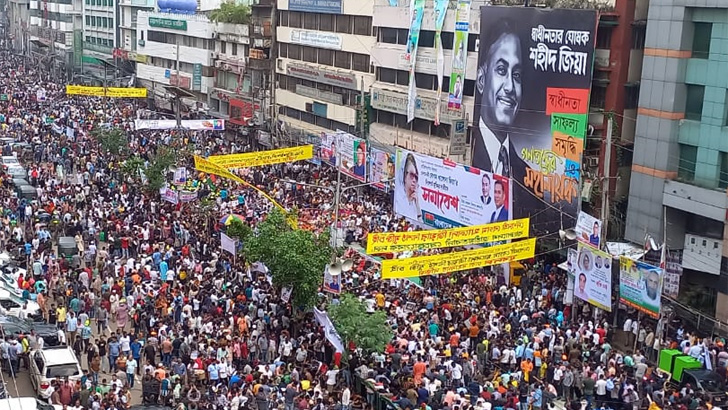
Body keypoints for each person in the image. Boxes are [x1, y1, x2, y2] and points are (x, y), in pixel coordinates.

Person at [394, 153, 421, 221]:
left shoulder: (415, 200)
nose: (414, 180)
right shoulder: (399, 199)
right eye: (411, 175)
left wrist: (417, 205)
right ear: (405, 175)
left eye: (416, 176)